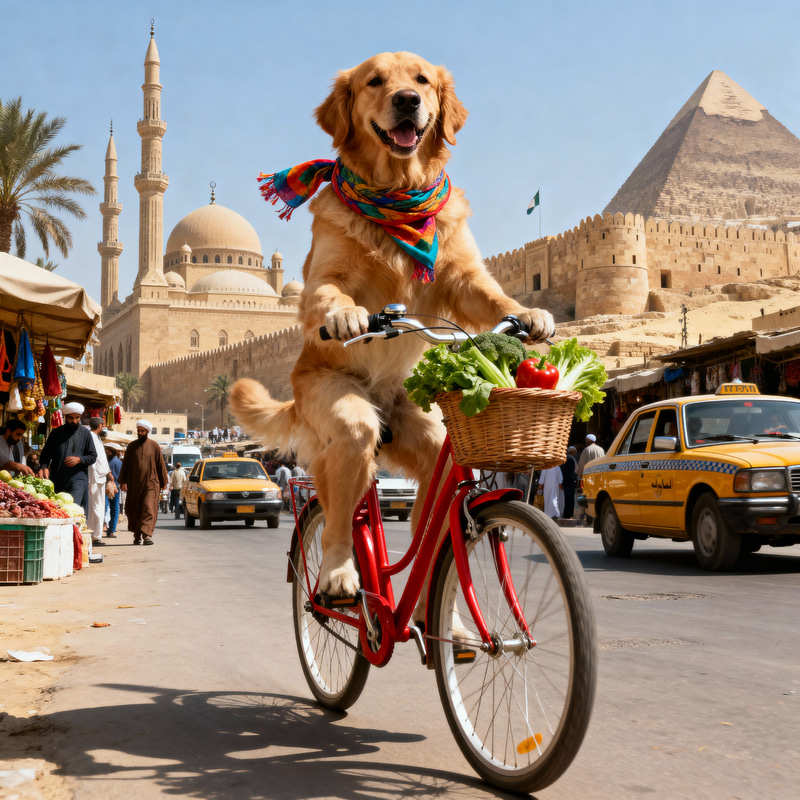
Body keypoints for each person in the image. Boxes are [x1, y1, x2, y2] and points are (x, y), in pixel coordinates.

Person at [38, 402, 97, 515]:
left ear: (80, 417)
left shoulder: (85, 434)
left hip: (78, 479)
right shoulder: (56, 433)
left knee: (73, 509)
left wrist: (79, 459)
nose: (74, 421)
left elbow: (92, 456)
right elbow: (46, 454)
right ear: (65, 417)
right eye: (71, 418)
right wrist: (44, 467)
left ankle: (75, 532)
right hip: (57, 478)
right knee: (58, 510)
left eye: (77, 418)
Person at [118, 419, 169, 546]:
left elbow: (160, 465)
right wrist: (123, 481)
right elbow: (126, 465)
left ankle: (147, 535)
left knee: (148, 507)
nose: (140, 433)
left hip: (151, 483)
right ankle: (137, 534)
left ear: (147, 431)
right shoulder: (132, 446)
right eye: (138, 431)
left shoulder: (154, 445)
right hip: (134, 483)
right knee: (134, 509)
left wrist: (164, 482)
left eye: (142, 431)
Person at [87, 418, 112, 548]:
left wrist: (108, 474)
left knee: (99, 507)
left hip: (101, 477)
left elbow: (102, 459)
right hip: (94, 477)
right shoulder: (91, 437)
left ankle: (96, 534)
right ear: (100, 426)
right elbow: (94, 460)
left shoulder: (97, 438)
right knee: (95, 507)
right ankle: (94, 535)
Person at [104, 443, 123, 538]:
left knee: (106, 508)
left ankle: (105, 527)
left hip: (106, 488)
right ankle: (111, 531)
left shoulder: (104, 462)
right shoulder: (119, 463)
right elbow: (121, 478)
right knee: (114, 509)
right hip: (116, 488)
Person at [560, 446, 579, 519]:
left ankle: (565, 514)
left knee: (565, 499)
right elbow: (573, 471)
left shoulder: (564, 458)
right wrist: (574, 479)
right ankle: (569, 514)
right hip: (570, 482)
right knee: (570, 499)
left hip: (564, 482)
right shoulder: (572, 459)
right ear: (574, 452)